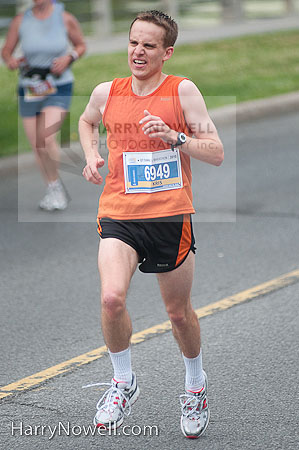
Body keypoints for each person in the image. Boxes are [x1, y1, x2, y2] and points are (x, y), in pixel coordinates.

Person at [79, 10, 224, 439]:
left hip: (169, 216)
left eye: (148, 45)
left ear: (167, 52)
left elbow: (215, 151)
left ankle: (195, 386)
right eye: (133, 43)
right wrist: (91, 156)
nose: (138, 52)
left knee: (178, 314)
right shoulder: (107, 92)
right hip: (119, 213)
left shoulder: (183, 91)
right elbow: (87, 122)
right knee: (110, 298)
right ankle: (123, 381)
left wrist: (176, 137)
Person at [1, 0, 86, 211]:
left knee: (46, 138)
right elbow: (6, 51)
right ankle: (53, 186)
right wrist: (10, 60)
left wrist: (70, 57)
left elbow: (81, 45)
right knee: (37, 146)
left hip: (59, 85)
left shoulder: (64, 17)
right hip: (30, 88)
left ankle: (55, 189)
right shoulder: (21, 21)